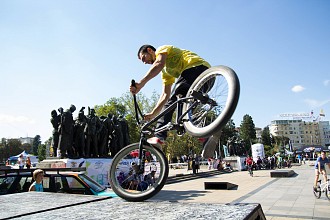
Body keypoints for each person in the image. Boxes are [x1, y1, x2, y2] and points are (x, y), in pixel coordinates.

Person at [130, 45, 210, 143]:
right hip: (208, 80)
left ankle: (159, 136)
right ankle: (205, 134)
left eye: (144, 58)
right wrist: (153, 114)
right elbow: (165, 95)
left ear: (150, 50)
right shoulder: (166, 72)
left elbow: (158, 63)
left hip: (196, 68)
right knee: (185, 111)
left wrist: (141, 83)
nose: (145, 62)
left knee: (176, 96)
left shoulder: (161, 50)